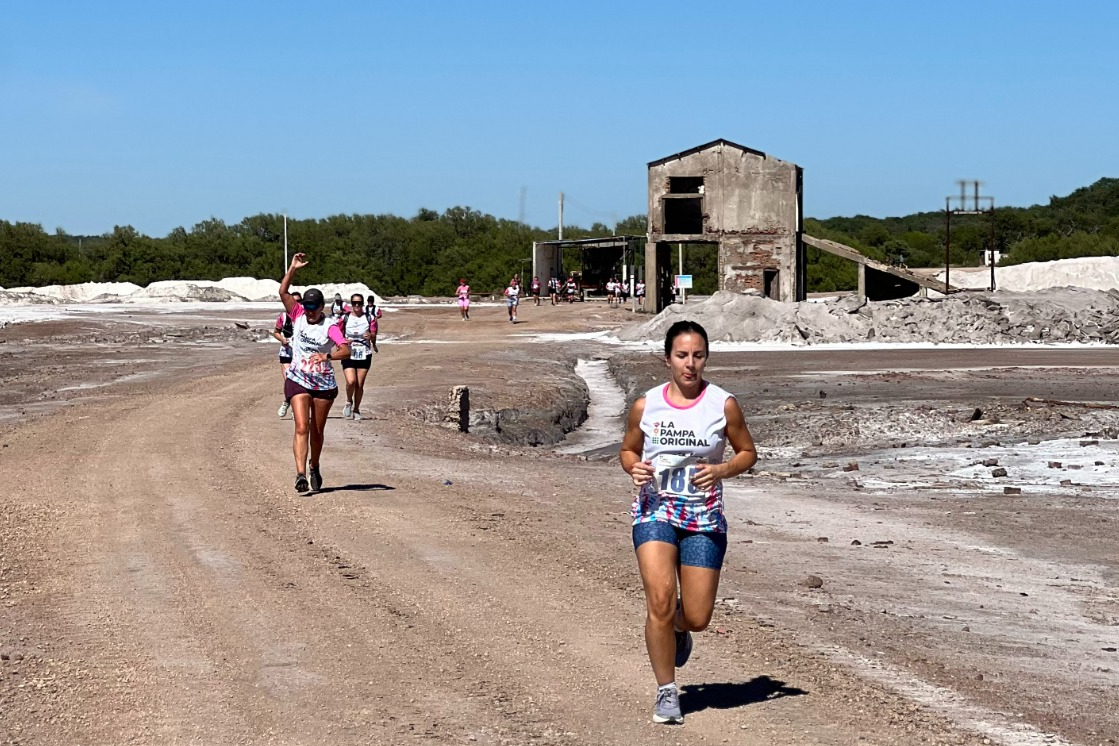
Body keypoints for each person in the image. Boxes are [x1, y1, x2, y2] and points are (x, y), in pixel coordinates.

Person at [618, 320, 757, 725]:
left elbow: (748, 451)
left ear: (705, 358)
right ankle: (666, 691)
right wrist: (634, 469)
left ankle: (680, 628)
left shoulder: (723, 404)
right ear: (668, 359)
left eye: (697, 355)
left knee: (697, 616)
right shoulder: (646, 404)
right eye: (682, 355)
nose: (690, 364)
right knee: (659, 599)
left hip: (703, 516)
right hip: (655, 510)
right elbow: (628, 450)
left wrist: (723, 470)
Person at [279, 254, 351, 494]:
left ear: (322, 307)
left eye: (314, 307)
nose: (309, 311)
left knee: (317, 431)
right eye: (307, 306)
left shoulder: (329, 326)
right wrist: (292, 269)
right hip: (299, 378)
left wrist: (327, 357)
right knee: (301, 426)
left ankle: (314, 466)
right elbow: (283, 292)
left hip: (322, 383)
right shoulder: (297, 315)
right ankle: (300, 474)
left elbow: (346, 350)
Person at [338, 293, 375, 421]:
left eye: (359, 303)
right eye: (354, 303)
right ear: (351, 304)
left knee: (359, 384)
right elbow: (337, 333)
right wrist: (343, 341)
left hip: (364, 353)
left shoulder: (369, 318)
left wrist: (371, 337)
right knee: (351, 381)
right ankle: (349, 401)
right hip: (349, 352)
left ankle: (357, 409)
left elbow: (374, 334)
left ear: (363, 303)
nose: (357, 305)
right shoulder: (345, 318)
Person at [273, 291, 301, 417]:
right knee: (289, 380)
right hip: (286, 352)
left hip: (300, 354)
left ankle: (292, 404)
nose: (296, 304)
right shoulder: (283, 317)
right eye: (293, 301)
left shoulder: (305, 317)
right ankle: (289, 403)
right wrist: (282, 340)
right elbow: (276, 332)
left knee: (300, 381)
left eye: (299, 301)